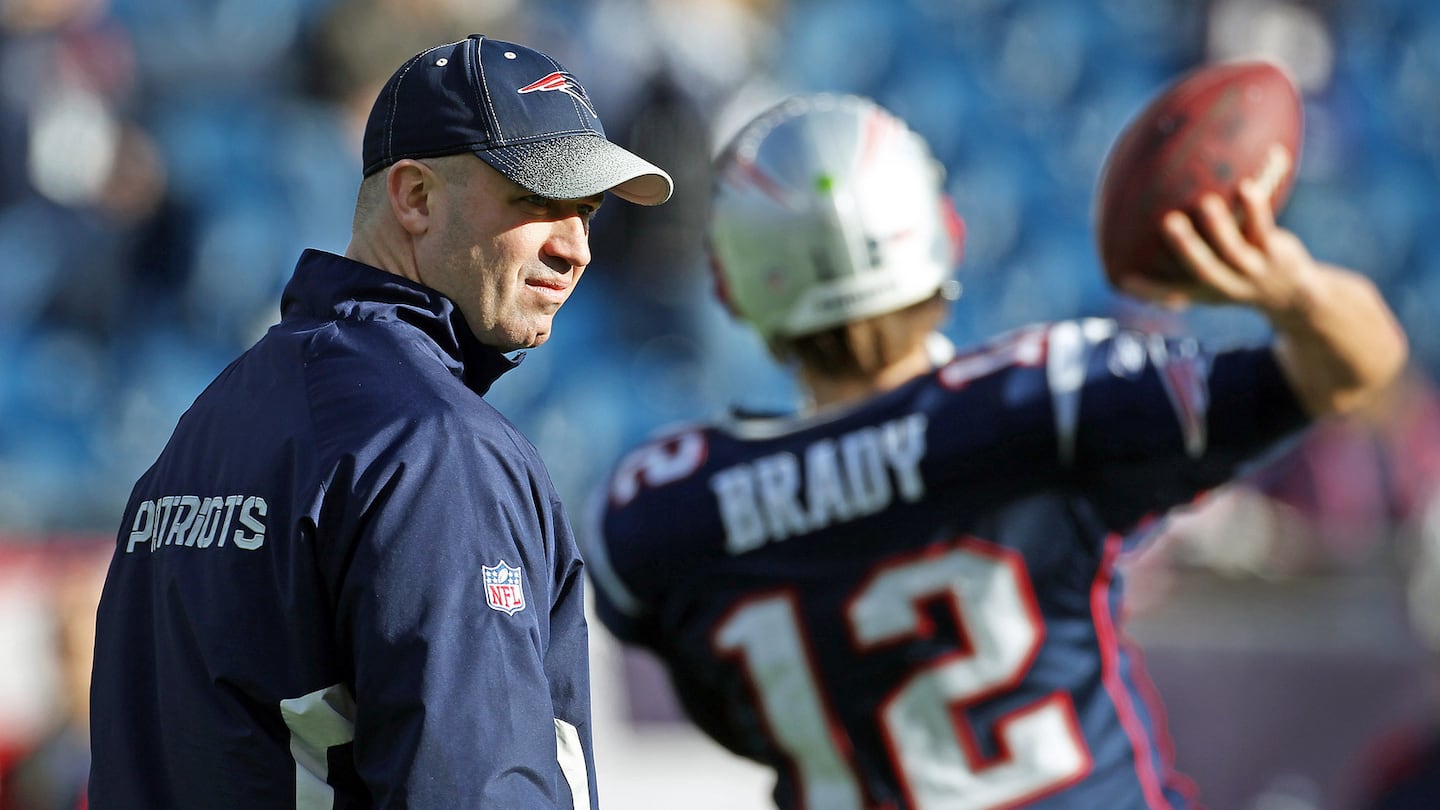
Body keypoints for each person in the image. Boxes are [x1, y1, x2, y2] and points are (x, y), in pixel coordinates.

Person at [583, 93, 1406, 809]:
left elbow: (729, 712)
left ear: (731, 285)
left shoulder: (663, 510)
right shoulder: (1040, 402)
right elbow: (1357, 368)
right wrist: (1289, 285)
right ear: (944, 231)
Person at [88, 33, 671, 809]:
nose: (576, 248)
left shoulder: (205, 425)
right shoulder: (435, 447)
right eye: (538, 201)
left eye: (588, 212)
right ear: (415, 197)